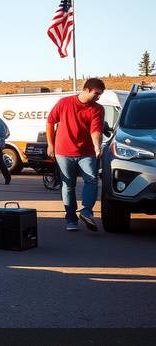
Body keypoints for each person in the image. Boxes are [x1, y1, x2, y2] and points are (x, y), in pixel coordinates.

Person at [46, 78, 106, 232]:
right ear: (87, 90)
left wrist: (97, 147)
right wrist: (51, 145)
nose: (98, 97)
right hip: (63, 151)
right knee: (68, 185)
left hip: (87, 152)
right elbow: (50, 122)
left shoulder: (98, 109)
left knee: (92, 180)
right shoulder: (64, 103)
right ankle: (71, 219)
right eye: (96, 93)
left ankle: (86, 212)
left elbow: (96, 130)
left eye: (100, 94)